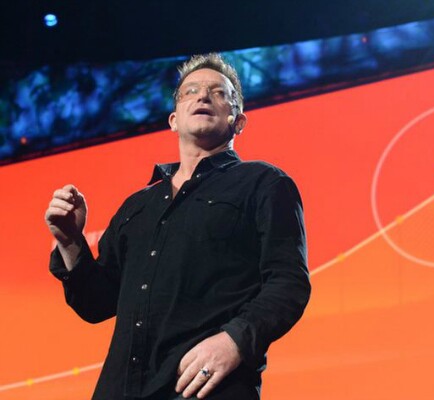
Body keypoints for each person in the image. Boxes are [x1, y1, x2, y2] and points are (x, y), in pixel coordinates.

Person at [45, 53, 311, 400]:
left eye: (219, 93)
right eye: (191, 91)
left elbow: (288, 283)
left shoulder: (264, 183)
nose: (203, 97)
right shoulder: (137, 206)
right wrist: (69, 240)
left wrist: (234, 341)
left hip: (205, 388)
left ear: (239, 121)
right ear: (173, 120)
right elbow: (96, 304)